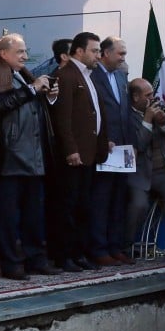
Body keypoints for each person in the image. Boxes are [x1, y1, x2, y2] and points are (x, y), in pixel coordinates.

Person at [0, 33, 59, 280]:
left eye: (25, 51)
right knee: (9, 218)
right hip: (8, 158)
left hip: (32, 156)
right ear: (4, 54)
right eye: (20, 52)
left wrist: (48, 94)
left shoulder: (22, 75)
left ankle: (36, 259)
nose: (25, 56)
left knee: (34, 215)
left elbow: (33, 107)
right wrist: (31, 90)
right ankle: (12, 264)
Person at [50, 31, 108, 272]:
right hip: (74, 156)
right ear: (79, 51)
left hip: (89, 153)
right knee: (69, 208)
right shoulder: (66, 75)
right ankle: (65, 256)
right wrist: (71, 150)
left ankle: (79, 253)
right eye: (94, 51)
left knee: (83, 206)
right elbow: (62, 119)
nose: (98, 55)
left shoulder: (88, 76)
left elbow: (92, 114)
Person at [126, 78, 165, 263]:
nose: (153, 97)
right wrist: (148, 120)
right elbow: (140, 145)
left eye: (153, 93)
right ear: (135, 97)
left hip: (163, 171)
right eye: (148, 95)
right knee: (139, 205)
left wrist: (162, 123)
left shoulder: (159, 108)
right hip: (139, 174)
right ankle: (124, 248)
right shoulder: (127, 115)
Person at [88, 36, 134, 266]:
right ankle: (99, 248)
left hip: (123, 149)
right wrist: (101, 140)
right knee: (101, 201)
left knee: (119, 201)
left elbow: (124, 110)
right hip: (104, 147)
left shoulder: (121, 76)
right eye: (120, 53)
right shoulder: (93, 76)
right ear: (105, 53)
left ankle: (115, 246)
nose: (123, 58)